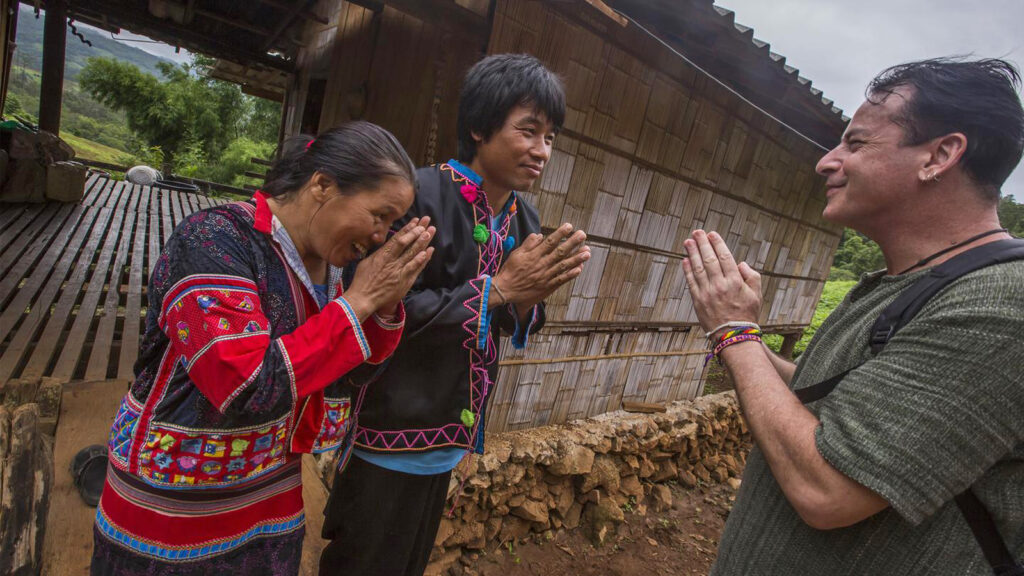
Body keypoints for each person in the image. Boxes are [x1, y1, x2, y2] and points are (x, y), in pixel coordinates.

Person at [683, 57, 1024, 575]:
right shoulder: (901, 285)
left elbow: (830, 490)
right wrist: (736, 330)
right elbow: (846, 404)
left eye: (856, 144)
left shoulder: (1000, 307)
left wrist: (735, 334)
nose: (826, 161)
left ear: (941, 155)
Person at [91, 121, 436, 576]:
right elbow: (242, 384)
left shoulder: (334, 267)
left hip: (269, 505)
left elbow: (348, 376)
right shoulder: (211, 240)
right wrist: (360, 302)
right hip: (173, 513)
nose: (381, 236)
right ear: (323, 185)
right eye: (380, 215)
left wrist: (384, 306)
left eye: (393, 225)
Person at [319, 54, 591, 575]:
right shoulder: (418, 196)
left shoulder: (523, 216)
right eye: (528, 131)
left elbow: (511, 312)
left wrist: (527, 297)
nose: (542, 151)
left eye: (551, 137)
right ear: (478, 127)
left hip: (450, 437)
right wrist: (497, 291)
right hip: (389, 434)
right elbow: (378, 309)